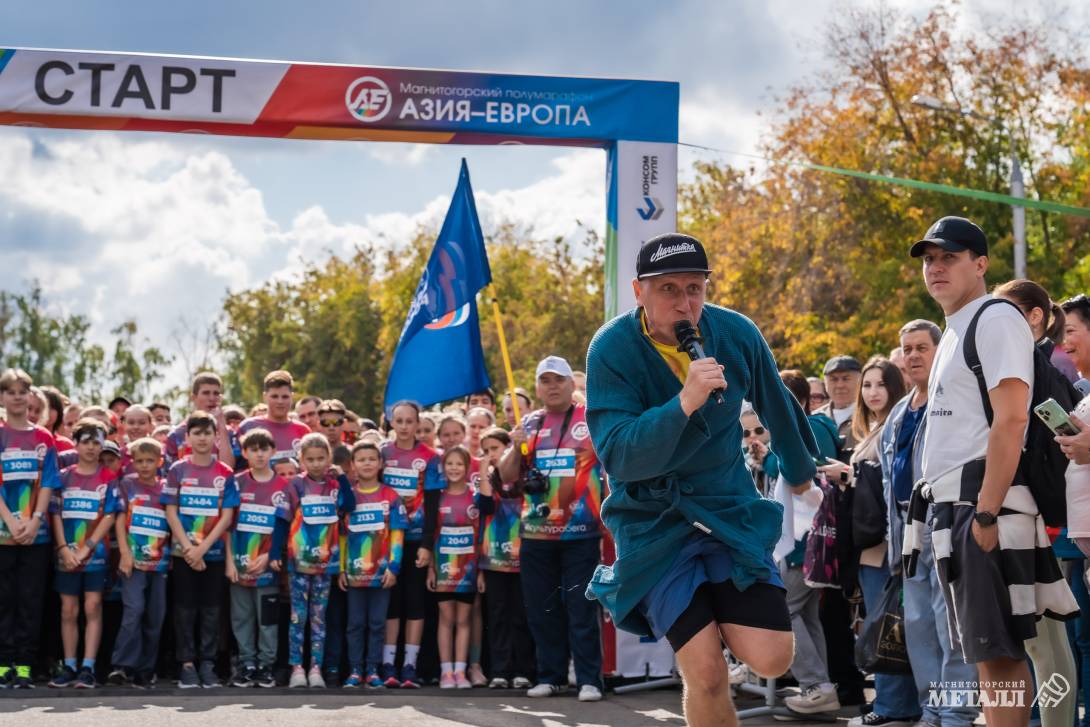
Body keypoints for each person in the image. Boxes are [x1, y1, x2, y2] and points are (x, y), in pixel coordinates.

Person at [583, 233, 817, 726]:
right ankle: (701, 634)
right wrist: (684, 401)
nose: (685, 303)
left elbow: (776, 401)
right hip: (654, 523)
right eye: (668, 289)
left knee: (774, 656)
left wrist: (802, 475)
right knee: (706, 674)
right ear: (638, 291)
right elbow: (619, 455)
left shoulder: (735, 333)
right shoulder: (612, 348)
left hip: (727, 509)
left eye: (695, 287)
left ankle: (715, 616)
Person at [902, 216, 1078, 726]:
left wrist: (985, 513)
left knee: (999, 656)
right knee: (987, 655)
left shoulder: (996, 316)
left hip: (984, 503)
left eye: (949, 257)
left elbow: (1014, 418)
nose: (935, 268)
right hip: (959, 504)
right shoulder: (957, 328)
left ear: (980, 265)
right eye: (929, 259)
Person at [879, 319, 979, 727]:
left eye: (922, 347)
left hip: (943, 518)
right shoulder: (900, 411)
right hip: (905, 525)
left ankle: (956, 711)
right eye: (907, 349)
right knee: (918, 624)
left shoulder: (951, 400)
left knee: (949, 620)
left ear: (939, 352)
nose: (914, 355)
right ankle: (932, 709)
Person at [995, 280, 1079, 727]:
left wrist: (1046, 512)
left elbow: (1055, 450)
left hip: (1037, 521)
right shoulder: (1024, 362)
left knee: (1044, 644)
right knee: (1035, 643)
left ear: (1035, 317)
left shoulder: (1042, 367)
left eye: (1005, 313)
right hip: (1024, 516)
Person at [499, 355, 606, 703]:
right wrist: (515, 445)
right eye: (545, 380)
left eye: (558, 379)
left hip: (581, 531)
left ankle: (589, 679)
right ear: (537, 388)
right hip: (536, 533)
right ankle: (552, 676)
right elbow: (506, 476)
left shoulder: (591, 419)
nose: (553, 386)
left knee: (581, 607)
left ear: (572, 384)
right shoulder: (528, 424)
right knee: (542, 610)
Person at [821, 357, 917, 727]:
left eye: (881, 384)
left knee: (886, 626)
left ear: (894, 387)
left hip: (885, 546)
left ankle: (895, 706)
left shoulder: (898, 423)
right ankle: (894, 703)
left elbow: (891, 483)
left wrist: (849, 474)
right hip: (869, 545)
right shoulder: (873, 428)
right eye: (868, 385)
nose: (873, 392)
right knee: (883, 625)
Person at [163, 410, 240, 689]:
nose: (203, 438)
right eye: (197, 433)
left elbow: (227, 517)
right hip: (182, 554)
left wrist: (203, 549)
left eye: (208, 433)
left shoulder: (225, 472)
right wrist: (188, 548)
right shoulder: (177, 470)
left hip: (214, 554)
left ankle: (207, 664)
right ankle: (186, 664)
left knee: (210, 610)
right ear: (188, 437)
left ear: (216, 437)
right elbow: (171, 512)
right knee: (184, 609)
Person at [48, 418, 122, 689]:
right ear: (76, 443)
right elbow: (54, 514)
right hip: (66, 556)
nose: (91, 447)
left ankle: (88, 667)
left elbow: (110, 515)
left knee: (92, 607)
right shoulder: (64, 477)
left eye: (96, 442)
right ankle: (69, 665)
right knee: (68, 610)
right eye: (86, 441)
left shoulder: (109, 478)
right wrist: (63, 549)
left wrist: (87, 548)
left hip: (95, 556)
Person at [0, 368, 62, 689]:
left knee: (30, 602)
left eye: (22, 391)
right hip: (3, 534)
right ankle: (2, 666)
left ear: (29, 396)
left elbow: (49, 482)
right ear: (2, 398)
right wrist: (10, 521)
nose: (16, 397)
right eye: (10, 392)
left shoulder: (44, 437)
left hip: (35, 534)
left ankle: (23, 667)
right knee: (4, 601)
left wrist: (35, 520)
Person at [283, 433, 353, 689]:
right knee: (297, 617)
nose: (315, 463)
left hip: (326, 565)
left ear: (329, 459)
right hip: (298, 563)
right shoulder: (295, 486)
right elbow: (283, 520)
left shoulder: (335, 485)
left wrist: (343, 478)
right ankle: (296, 667)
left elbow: (351, 506)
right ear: (301, 460)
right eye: (310, 459)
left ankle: (315, 667)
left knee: (319, 618)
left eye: (321, 458)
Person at [379, 400, 439, 689]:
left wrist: (428, 544)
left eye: (409, 421)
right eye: (399, 421)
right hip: (386, 543)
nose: (404, 426)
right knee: (392, 602)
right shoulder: (382, 453)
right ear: (391, 422)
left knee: (415, 602)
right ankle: (389, 663)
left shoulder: (429, 457)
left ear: (418, 424)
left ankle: (410, 665)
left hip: (416, 540)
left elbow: (433, 502)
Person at [225, 428, 290, 689]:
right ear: (245, 452)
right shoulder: (236, 482)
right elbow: (227, 525)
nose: (260, 454)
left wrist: (268, 556)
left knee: (267, 620)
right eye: (254, 449)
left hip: (267, 567)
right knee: (241, 617)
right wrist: (229, 561)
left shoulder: (284, 486)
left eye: (264, 449)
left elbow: (285, 527)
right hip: (239, 566)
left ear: (273, 451)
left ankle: (266, 665)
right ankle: (246, 663)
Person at [339, 440, 407, 689]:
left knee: (378, 623)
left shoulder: (391, 496)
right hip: (354, 574)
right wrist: (343, 569)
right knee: (355, 624)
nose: (367, 463)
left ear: (380, 464)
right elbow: (343, 535)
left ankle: (372, 670)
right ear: (353, 466)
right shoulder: (348, 498)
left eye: (371, 459)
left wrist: (394, 567)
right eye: (361, 459)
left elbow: (398, 534)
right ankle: (355, 670)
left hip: (382, 574)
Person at [108, 437, 171, 688]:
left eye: (149, 461)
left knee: (155, 615)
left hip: (160, 563)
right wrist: (124, 553)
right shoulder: (127, 484)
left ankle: (146, 668)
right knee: (133, 611)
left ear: (160, 461)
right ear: (131, 462)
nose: (144, 466)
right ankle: (122, 665)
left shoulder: (167, 487)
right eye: (139, 461)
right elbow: (120, 520)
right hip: (132, 562)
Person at [477, 427, 534, 689]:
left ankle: (523, 669)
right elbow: (486, 507)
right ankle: (500, 670)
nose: (490, 454)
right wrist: (483, 474)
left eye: (495, 449)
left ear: (508, 447)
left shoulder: (526, 474)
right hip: (494, 558)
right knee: (497, 614)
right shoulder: (488, 480)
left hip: (524, 556)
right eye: (486, 450)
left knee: (521, 614)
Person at [420, 446, 480, 689]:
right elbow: (432, 534)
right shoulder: (438, 497)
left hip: (468, 569)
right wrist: (431, 569)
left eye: (459, 464)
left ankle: (460, 671)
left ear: (467, 468)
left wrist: (481, 571)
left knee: (464, 619)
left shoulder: (475, 496)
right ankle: (446, 672)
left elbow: (480, 534)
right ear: (443, 468)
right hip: (444, 568)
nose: (454, 468)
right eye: (450, 464)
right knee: (446, 618)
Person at [238, 372, 312, 470]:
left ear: (292, 397)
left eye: (285, 397)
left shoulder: (303, 430)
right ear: (265, 397)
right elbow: (237, 468)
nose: (280, 401)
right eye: (274, 396)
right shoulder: (248, 427)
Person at [164, 372, 236, 469]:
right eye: (206, 393)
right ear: (193, 397)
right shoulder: (176, 435)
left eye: (216, 393)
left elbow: (229, 469)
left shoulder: (230, 433)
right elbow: (170, 475)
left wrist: (222, 428)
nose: (212, 398)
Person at [816, 355, 862, 453]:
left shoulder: (871, 417)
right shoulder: (815, 418)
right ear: (825, 383)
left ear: (860, 380)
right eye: (834, 379)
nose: (840, 385)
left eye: (846, 379)